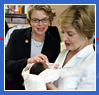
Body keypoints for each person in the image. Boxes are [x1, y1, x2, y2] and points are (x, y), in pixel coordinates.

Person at [5, 5, 60, 90]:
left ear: (49, 20)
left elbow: (52, 73)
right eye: (35, 20)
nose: (40, 24)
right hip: (14, 87)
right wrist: (28, 61)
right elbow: (6, 65)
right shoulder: (17, 35)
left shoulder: (54, 43)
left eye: (44, 19)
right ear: (29, 21)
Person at [46, 5, 95, 90]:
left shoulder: (93, 63)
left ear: (85, 33)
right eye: (62, 31)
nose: (63, 38)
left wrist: (51, 88)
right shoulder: (64, 53)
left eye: (70, 34)